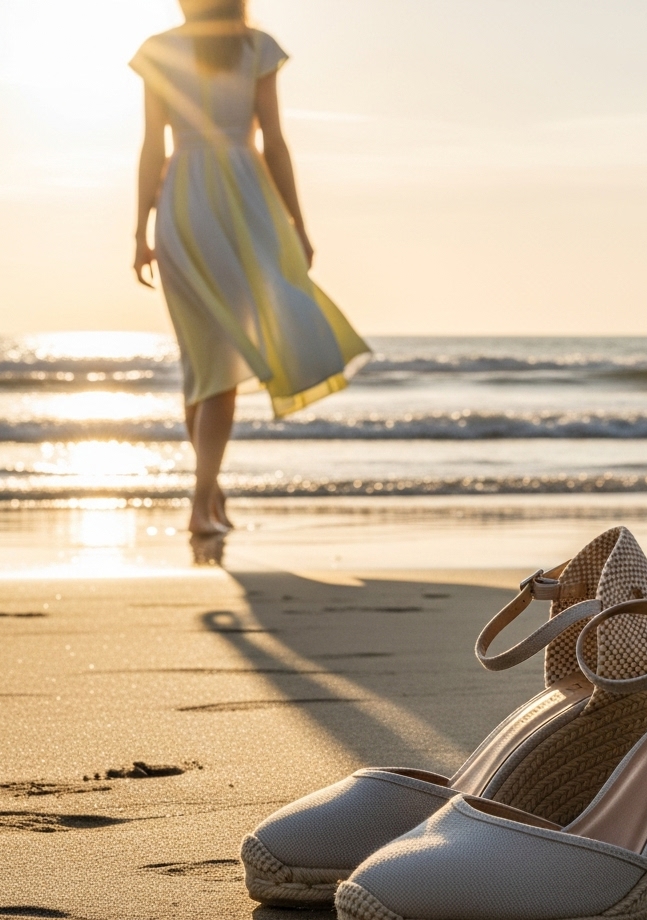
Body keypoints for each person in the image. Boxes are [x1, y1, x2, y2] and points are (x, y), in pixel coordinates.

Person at [131, 0, 369, 535]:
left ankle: (207, 494)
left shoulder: (160, 50)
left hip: (184, 205)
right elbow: (274, 142)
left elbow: (151, 146)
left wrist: (140, 231)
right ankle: (202, 502)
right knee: (214, 363)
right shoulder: (254, 46)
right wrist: (296, 222)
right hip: (246, 201)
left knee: (204, 363)